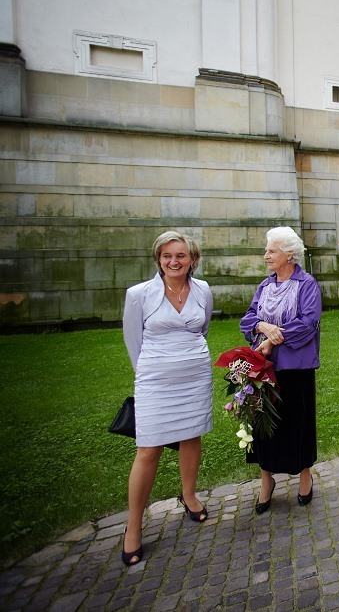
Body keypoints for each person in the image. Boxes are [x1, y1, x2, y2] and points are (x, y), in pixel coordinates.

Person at [121, 231, 214, 566]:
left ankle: (188, 495)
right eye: (167, 256)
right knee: (148, 449)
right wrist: (150, 372)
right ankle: (133, 527)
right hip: (155, 381)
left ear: (193, 259)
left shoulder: (203, 290)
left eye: (181, 256)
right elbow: (133, 340)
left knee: (192, 436)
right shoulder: (139, 295)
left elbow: (202, 330)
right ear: (158, 259)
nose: (174, 262)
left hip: (194, 376)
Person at [240, 226, 321, 513]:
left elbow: (308, 323)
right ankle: (266, 481)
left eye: (271, 251)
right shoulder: (264, 285)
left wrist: (275, 338)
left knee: (297, 422)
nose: (266, 256)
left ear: (289, 254)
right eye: (267, 251)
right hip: (264, 369)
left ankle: (304, 476)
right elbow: (247, 319)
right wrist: (263, 326)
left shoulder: (307, 283)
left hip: (295, 368)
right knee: (264, 427)